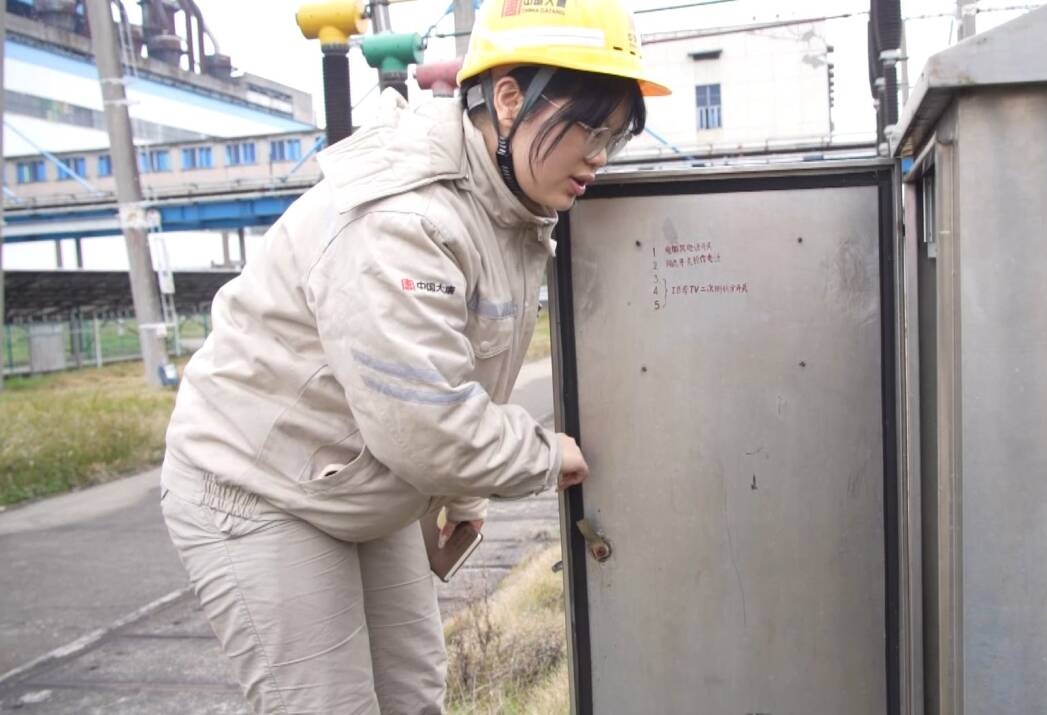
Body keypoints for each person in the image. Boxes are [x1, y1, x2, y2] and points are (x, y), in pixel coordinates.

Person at [157, 0, 669, 710]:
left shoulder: (508, 205)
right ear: (510, 97)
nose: (600, 156)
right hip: (258, 484)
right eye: (588, 127)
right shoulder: (405, 215)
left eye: (616, 136)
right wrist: (544, 457)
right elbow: (426, 426)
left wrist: (463, 491)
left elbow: (453, 366)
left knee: (413, 692)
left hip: (358, 471)